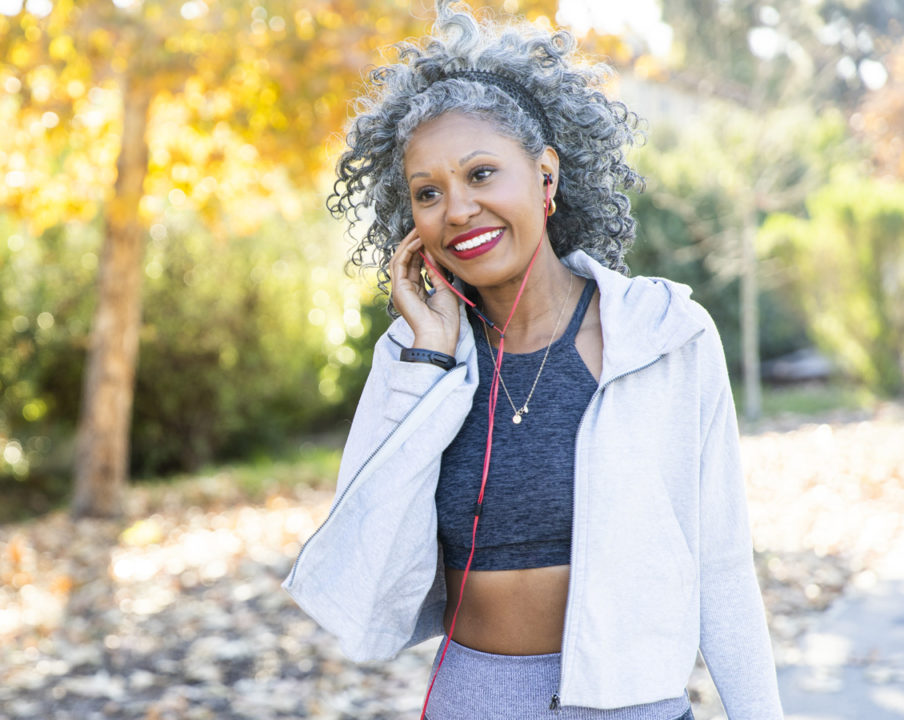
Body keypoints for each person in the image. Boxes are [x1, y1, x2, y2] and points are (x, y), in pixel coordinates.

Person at [282, 3, 784, 718]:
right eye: (428, 193)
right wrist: (427, 361)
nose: (457, 209)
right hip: (473, 699)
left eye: (482, 174)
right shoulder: (410, 356)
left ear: (545, 177)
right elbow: (370, 568)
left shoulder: (663, 336)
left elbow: (725, 566)